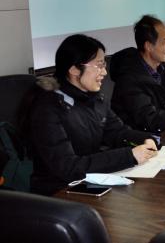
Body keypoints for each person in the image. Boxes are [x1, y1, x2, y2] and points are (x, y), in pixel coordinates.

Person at [19, 34, 157, 195]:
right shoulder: (47, 107)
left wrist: (144, 139)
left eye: (104, 64)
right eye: (99, 65)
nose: (104, 72)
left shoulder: (93, 98)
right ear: (74, 69)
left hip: (88, 182)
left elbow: (117, 132)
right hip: (58, 192)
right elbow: (67, 167)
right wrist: (129, 156)